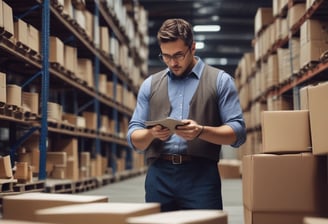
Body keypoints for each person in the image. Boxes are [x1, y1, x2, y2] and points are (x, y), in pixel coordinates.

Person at [126, 18, 246, 212]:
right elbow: (133, 137)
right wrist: (151, 134)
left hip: (201, 176)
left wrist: (201, 131)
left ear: (193, 48)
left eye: (179, 55)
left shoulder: (220, 81)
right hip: (159, 177)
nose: (172, 62)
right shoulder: (150, 85)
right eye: (166, 56)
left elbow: (238, 133)